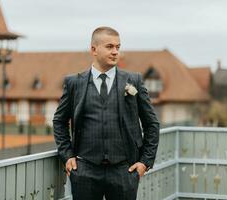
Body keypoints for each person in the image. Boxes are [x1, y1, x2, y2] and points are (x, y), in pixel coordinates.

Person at [53, 26, 159, 200]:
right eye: (109, 47)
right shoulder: (74, 83)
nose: (115, 52)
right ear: (93, 50)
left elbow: (152, 123)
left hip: (124, 171)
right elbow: (59, 121)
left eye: (118, 47)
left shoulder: (134, 81)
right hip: (85, 171)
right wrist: (67, 155)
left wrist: (145, 162)